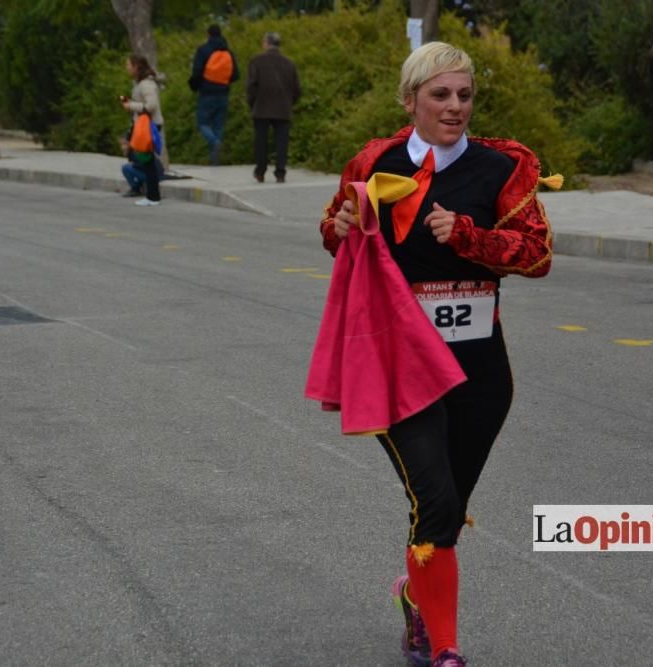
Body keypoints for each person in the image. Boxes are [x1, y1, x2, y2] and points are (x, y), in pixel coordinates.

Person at [313, 42, 558, 667]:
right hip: (399, 366)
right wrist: (337, 228)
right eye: (440, 95)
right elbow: (333, 232)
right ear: (411, 100)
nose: (455, 107)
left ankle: (416, 599)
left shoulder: (501, 169)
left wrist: (470, 236)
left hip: (480, 371)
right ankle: (443, 648)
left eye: (465, 95)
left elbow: (538, 256)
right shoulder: (376, 163)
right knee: (437, 501)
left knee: (442, 512)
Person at [246, 32, 300, 183]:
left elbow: (251, 86)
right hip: (283, 108)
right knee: (282, 142)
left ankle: (260, 171)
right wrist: (289, 102)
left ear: (266, 43)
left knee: (261, 141)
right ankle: (280, 172)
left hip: (261, 108)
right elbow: (296, 90)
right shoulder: (289, 63)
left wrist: (252, 103)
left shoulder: (256, 61)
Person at [188, 24, 239, 165]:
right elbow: (235, 75)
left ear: (208, 34)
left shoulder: (203, 50)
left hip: (207, 93)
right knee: (219, 125)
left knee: (203, 123)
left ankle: (214, 142)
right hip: (223, 93)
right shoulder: (229, 52)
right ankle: (214, 161)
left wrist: (194, 86)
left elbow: (197, 72)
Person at [121, 54, 164, 206]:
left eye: (128, 65)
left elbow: (151, 105)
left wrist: (131, 106)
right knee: (147, 162)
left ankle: (153, 197)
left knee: (148, 162)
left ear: (136, 67)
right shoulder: (141, 83)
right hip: (144, 126)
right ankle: (152, 196)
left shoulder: (146, 84)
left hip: (148, 127)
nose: (126, 68)